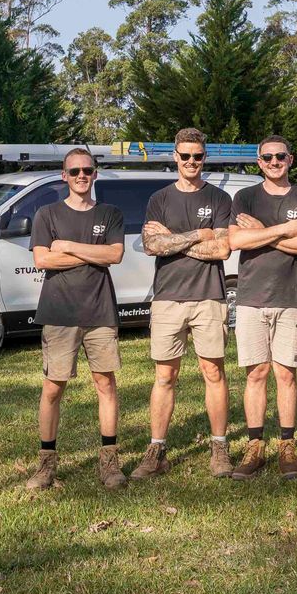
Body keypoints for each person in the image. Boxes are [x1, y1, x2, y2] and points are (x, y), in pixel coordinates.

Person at [132, 127, 236, 480]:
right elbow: (150, 245)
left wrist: (172, 239)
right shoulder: (159, 198)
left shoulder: (221, 199)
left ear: (204, 158)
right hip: (168, 299)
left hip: (209, 297)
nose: (192, 161)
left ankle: (220, 447)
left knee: (214, 373)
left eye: (198, 156)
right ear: (175, 157)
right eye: (185, 155)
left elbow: (221, 249)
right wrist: (196, 235)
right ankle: (156, 449)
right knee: (165, 376)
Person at [25, 147, 128, 490]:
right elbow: (43, 260)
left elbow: (114, 254)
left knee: (106, 385)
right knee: (53, 388)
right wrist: (91, 254)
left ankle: (110, 462)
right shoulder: (47, 214)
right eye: (75, 171)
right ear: (63, 176)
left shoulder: (109, 212)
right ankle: (46, 464)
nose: (82, 176)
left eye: (87, 170)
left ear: (95, 173)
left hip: (100, 311)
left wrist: (67, 246)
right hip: (59, 312)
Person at [225, 134, 297, 481]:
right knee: (256, 374)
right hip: (252, 298)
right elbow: (236, 240)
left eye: (280, 156)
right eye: (267, 157)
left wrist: (262, 234)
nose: (274, 162)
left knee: (286, 373)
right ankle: (255, 446)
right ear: (259, 162)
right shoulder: (245, 197)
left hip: (291, 296)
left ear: (290, 159)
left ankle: (286, 444)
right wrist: (283, 230)